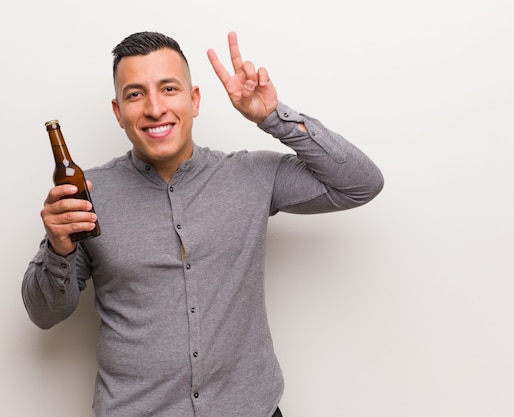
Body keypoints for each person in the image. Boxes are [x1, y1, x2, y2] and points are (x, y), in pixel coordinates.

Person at [22, 31, 384, 417]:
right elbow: (45, 315)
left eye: (169, 88)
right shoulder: (87, 195)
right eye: (135, 94)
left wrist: (272, 117)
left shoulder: (250, 175)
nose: (155, 108)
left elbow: (361, 184)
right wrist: (58, 248)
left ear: (194, 100)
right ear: (118, 112)